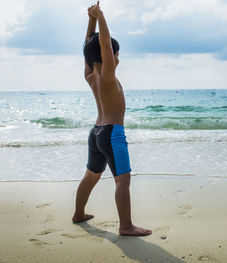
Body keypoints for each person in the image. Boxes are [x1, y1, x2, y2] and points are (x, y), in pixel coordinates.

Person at [72, 1, 152, 236]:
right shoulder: (107, 76)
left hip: (96, 132)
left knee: (91, 175)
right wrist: (101, 17)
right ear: (109, 56)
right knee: (123, 180)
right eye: (116, 54)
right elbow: (102, 43)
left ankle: (78, 213)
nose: (117, 58)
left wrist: (91, 21)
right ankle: (126, 226)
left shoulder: (90, 75)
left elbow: (89, 47)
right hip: (112, 134)